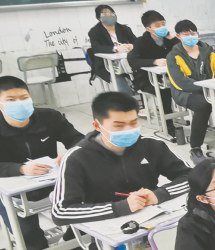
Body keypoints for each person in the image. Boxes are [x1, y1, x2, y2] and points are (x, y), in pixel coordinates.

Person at [0, 76, 90, 250]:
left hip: (49, 177)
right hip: (6, 184)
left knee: (93, 193)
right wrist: (20, 169)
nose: (20, 103)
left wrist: (70, 153)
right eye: (11, 100)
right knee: (19, 217)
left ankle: (71, 243)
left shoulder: (49, 117)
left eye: (24, 98)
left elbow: (78, 140)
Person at [51, 91, 192, 226]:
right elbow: (61, 212)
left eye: (133, 123)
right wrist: (121, 207)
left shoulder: (151, 145)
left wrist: (160, 194)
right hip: (108, 227)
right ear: (97, 125)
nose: (128, 130)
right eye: (119, 125)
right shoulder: (77, 158)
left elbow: (192, 177)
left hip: (154, 218)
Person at [167, 20, 215, 164]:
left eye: (193, 33)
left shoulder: (209, 52)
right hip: (185, 92)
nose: (190, 36)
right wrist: (206, 87)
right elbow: (180, 82)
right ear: (178, 36)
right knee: (203, 105)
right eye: (186, 34)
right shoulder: (173, 56)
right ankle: (195, 147)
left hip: (210, 88)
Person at [128, 10, 178, 138]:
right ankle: (169, 125)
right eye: (157, 25)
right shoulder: (140, 42)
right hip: (146, 79)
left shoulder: (169, 40)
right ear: (148, 28)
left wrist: (173, 39)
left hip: (169, 77)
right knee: (164, 91)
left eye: (163, 24)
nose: (162, 27)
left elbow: (184, 51)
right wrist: (154, 61)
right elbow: (133, 61)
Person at [87, 4, 136, 94]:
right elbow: (96, 48)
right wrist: (115, 48)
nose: (109, 15)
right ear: (99, 17)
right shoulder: (94, 31)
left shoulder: (124, 28)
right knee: (122, 86)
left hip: (128, 62)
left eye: (111, 13)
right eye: (105, 14)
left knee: (141, 76)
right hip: (106, 65)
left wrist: (131, 46)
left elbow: (136, 42)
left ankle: (141, 96)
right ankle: (127, 97)